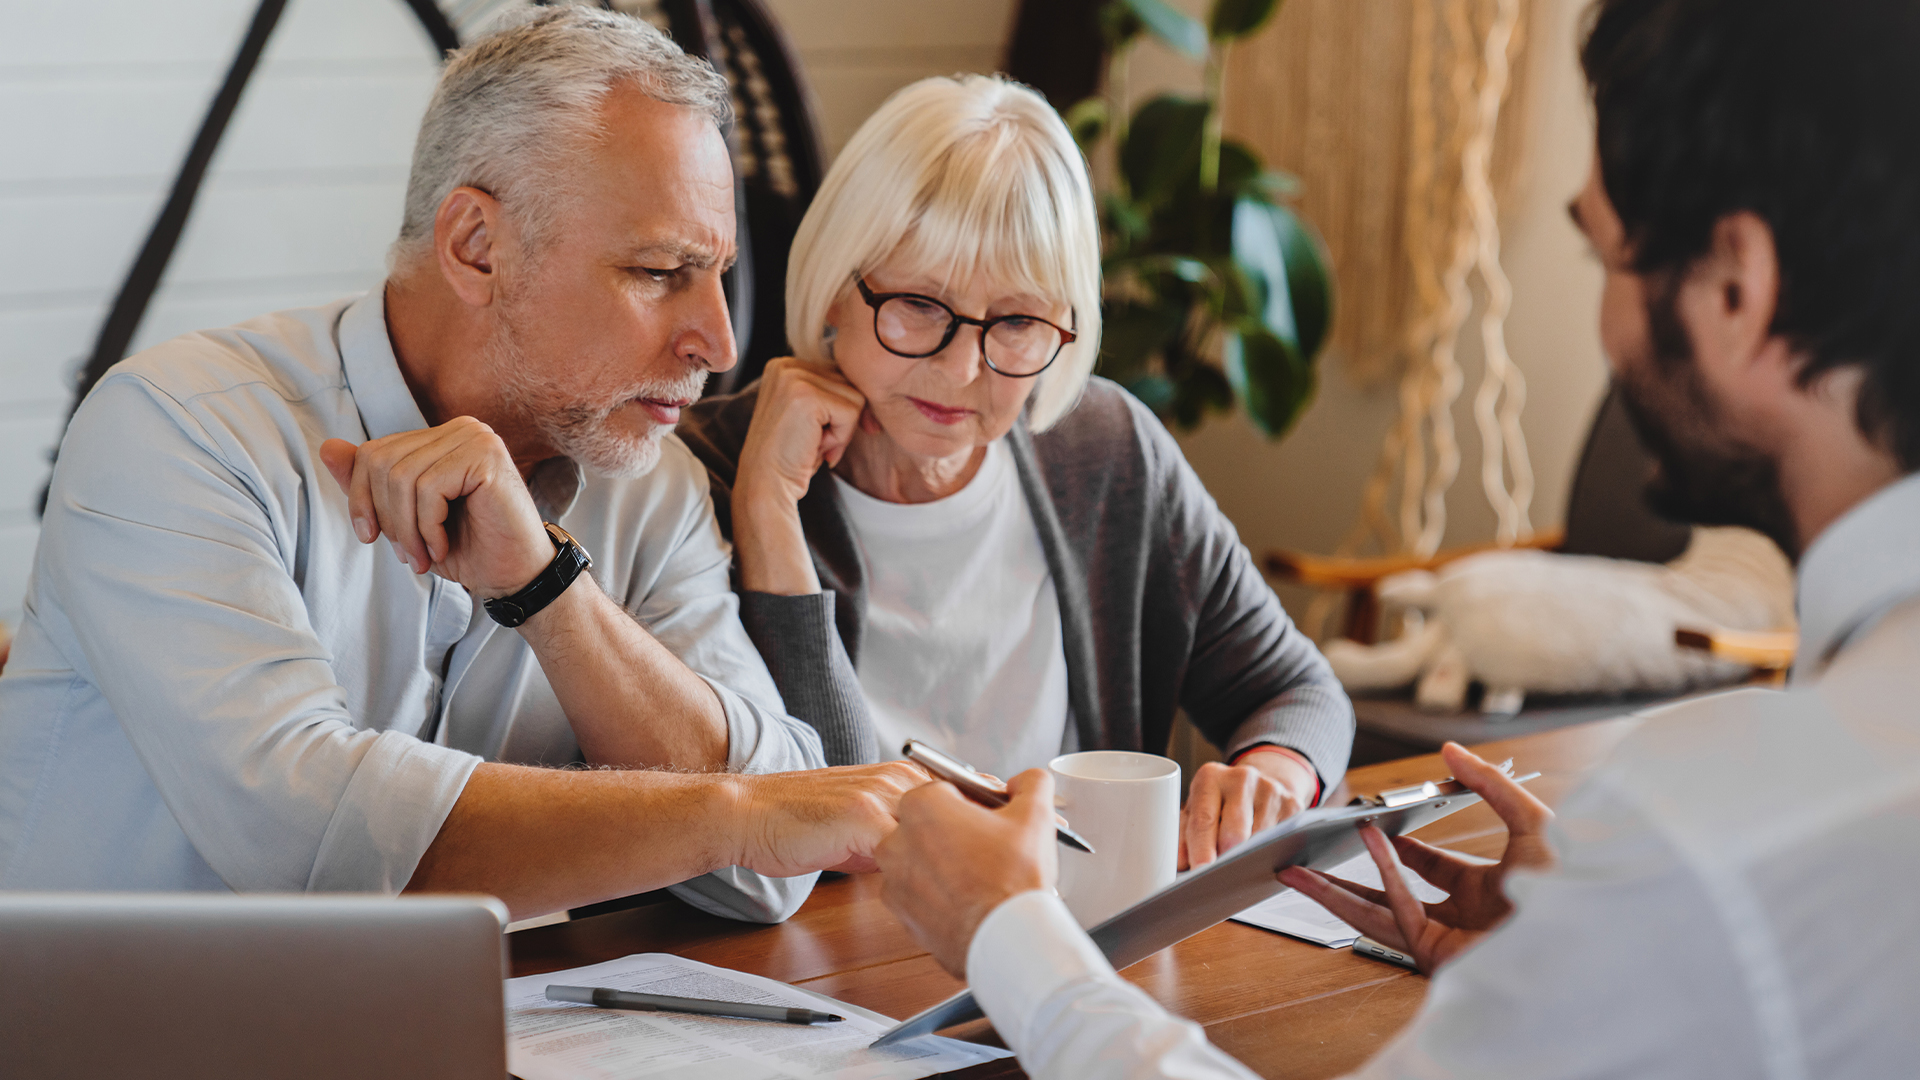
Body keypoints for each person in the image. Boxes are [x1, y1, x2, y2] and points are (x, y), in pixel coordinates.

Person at [874, 0, 1920, 1075]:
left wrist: (1012, 942)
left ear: (1737, 288)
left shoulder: (1717, 833)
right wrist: (1567, 979)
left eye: (1606, 256)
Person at [0, 7, 926, 924]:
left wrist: (550, 592)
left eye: (715, 273)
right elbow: (308, 841)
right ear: (476, 247)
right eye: (657, 272)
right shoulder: (177, 430)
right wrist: (730, 814)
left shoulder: (654, 486)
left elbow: (774, 872)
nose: (718, 343)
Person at [678, 75, 1353, 868]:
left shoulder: (1103, 448)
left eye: (1019, 321)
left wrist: (1274, 771)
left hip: (1070, 942)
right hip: (827, 965)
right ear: (834, 286)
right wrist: (766, 514)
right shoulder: (708, 470)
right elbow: (809, 817)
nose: (963, 368)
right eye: (920, 305)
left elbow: (1298, 693)